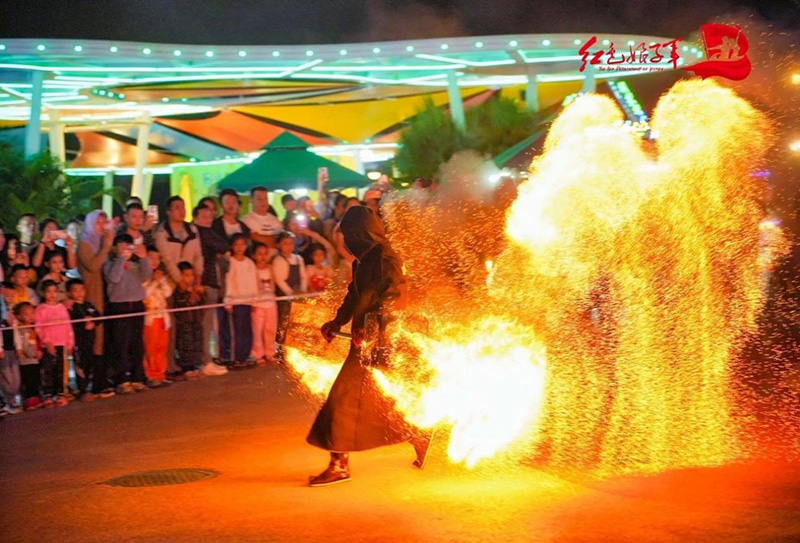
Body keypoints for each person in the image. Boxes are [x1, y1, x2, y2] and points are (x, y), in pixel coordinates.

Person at [307, 206, 431, 486]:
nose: (347, 241)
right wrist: (337, 321)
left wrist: (372, 330)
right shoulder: (362, 261)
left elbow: (395, 299)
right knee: (379, 399)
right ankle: (418, 433)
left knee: (342, 400)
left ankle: (339, 467)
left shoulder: (386, 258)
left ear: (363, 233)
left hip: (380, 341)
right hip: (364, 342)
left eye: (350, 235)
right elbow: (355, 294)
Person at [104, 233, 152, 395]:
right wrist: (121, 259)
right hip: (119, 305)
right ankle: (122, 379)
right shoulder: (109, 263)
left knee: (137, 342)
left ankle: (137, 377)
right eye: (122, 245)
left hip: (137, 304)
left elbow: (146, 276)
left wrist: (144, 258)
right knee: (121, 344)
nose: (126, 249)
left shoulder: (134, 265)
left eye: (128, 246)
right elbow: (114, 278)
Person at [192, 205, 229, 376]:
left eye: (210, 216)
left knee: (206, 325)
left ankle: (205, 360)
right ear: (195, 218)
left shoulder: (201, 233)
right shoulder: (203, 233)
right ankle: (205, 362)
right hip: (205, 282)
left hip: (208, 281)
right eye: (204, 216)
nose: (208, 219)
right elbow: (223, 245)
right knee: (205, 325)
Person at [76, 210, 114, 359]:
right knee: (96, 332)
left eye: (104, 222)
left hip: (108, 291)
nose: (101, 226)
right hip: (92, 291)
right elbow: (93, 266)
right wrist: (105, 247)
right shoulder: (85, 244)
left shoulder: (104, 241)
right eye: (97, 222)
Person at [35, 280, 75, 408]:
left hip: (62, 343)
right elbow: (38, 327)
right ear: (43, 293)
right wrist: (46, 341)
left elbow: (68, 325)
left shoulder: (62, 307)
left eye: (54, 291)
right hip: (48, 344)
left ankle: (61, 394)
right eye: (48, 292)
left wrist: (70, 343)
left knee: (61, 369)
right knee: (48, 369)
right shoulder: (40, 309)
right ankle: (48, 395)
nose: (52, 294)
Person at [222, 233, 256, 369]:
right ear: (232, 246)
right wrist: (228, 300)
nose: (239, 247)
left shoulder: (250, 263)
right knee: (237, 331)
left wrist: (254, 301)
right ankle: (236, 358)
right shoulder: (230, 262)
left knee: (247, 330)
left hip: (248, 301)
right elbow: (228, 282)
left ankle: (245, 356)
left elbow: (253, 282)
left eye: (242, 244)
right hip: (236, 302)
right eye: (236, 244)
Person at [66, 278, 104, 401]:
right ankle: (83, 390)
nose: (79, 293)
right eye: (75, 290)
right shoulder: (70, 308)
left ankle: (95, 388)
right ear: (69, 293)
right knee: (80, 365)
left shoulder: (89, 305)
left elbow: (98, 316)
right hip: (78, 341)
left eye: (81, 289)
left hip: (90, 340)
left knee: (92, 363)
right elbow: (70, 324)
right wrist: (83, 326)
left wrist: (93, 322)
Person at [272, 231, 307, 352]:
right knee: (283, 324)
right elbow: (279, 280)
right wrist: (291, 294)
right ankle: (280, 350)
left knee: (297, 324)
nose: (289, 246)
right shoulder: (278, 260)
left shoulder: (298, 259)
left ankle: (294, 349)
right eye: (285, 243)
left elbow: (303, 277)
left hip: (299, 297)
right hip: (285, 298)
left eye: (291, 243)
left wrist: (302, 292)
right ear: (279, 245)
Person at [172, 262, 206, 380]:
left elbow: (202, 304)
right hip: (185, 322)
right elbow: (179, 304)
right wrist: (187, 293)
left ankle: (195, 366)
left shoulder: (196, 289)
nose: (190, 278)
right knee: (186, 344)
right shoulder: (179, 291)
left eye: (191, 275)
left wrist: (201, 294)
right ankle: (186, 368)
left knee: (197, 342)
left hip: (196, 321)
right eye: (186, 275)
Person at [142, 259, 173, 387]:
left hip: (162, 317)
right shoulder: (144, 279)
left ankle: (160, 374)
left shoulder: (161, 278)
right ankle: (150, 374)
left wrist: (161, 280)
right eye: (152, 258)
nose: (154, 262)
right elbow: (144, 294)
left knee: (162, 346)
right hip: (151, 317)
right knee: (150, 347)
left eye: (156, 259)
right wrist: (154, 281)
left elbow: (168, 292)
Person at [251, 243, 278, 365]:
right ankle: (258, 354)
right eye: (260, 254)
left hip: (270, 302)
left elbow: (273, 283)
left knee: (270, 328)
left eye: (265, 254)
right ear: (254, 255)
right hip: (258, 304)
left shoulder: (270, 268)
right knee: (257, 330)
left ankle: (270, 353)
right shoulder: (253, 269)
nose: (263, 257)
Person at [14, 302, 42, 411]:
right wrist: (31, 353)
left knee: (36, 378)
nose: (30, 316)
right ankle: (29, 399)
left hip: (35, 359)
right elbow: (22, 344)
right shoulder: (20, 328)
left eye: (32, 313)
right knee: (27, 380)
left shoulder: (34, 327)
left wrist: (39, 350)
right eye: (26, 314)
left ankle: (36, 397)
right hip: (25, 361)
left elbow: (38, 341)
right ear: (19, 316)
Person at [0, 282, 21, 414]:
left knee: (15, 377)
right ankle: (8, 401)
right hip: (3, 350)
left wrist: (18, 347)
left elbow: (16, 331)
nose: (10, 299)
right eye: (7, 296)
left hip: (12, 349)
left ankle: (13, 399)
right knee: (6, 377)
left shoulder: (12, 311)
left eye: (12, 296)